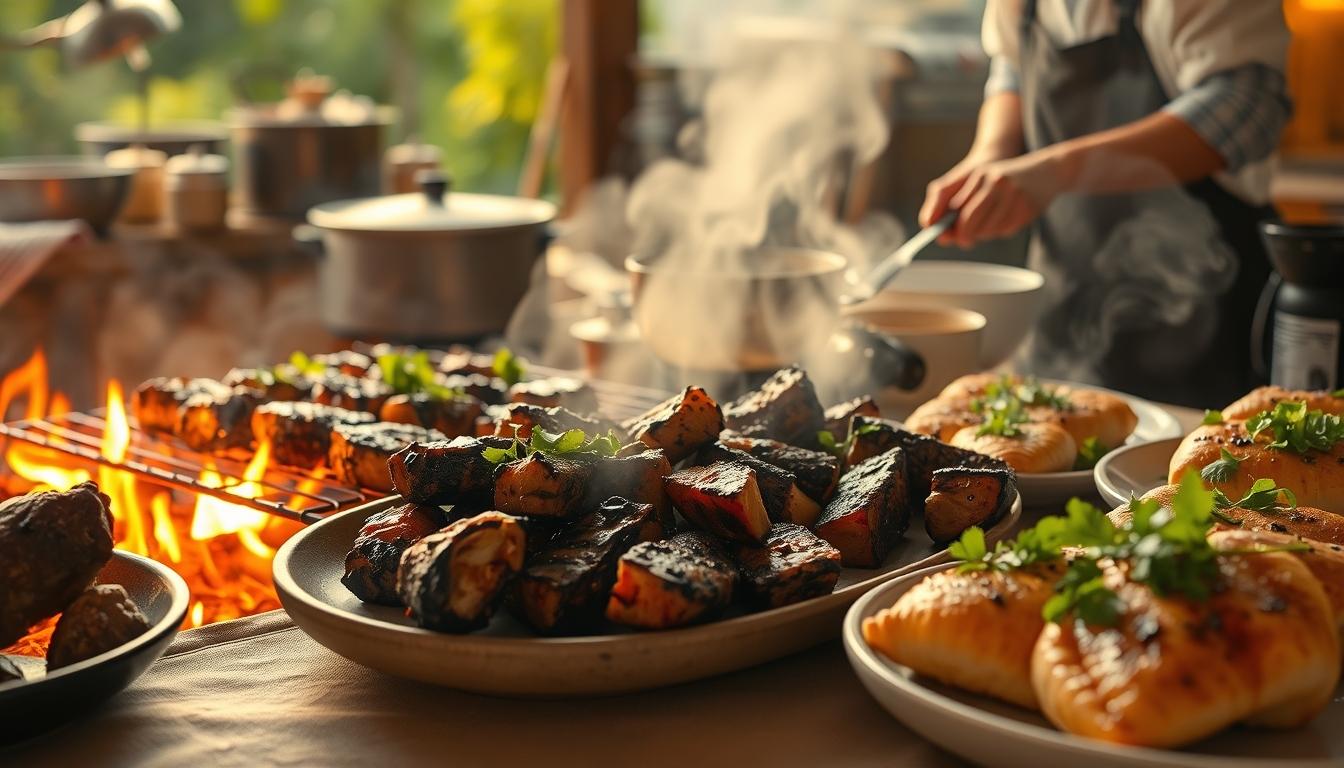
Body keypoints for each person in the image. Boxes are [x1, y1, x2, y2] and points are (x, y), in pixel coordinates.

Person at [920, 0, 1292, 407]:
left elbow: (1248, 104)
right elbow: (1012, 69)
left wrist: (1057, 170)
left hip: (1208, 325)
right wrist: (990, 154)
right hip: (1061, 312)